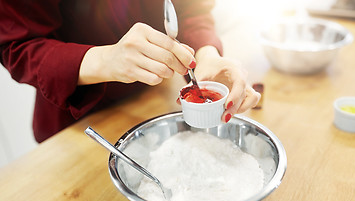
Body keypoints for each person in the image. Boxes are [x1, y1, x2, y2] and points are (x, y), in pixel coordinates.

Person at [0, 0, 260, 143]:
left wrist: (206, 54)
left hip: (151, 102)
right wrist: (105, 59)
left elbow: (190, 8)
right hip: (78, 129)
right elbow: (18, 45)